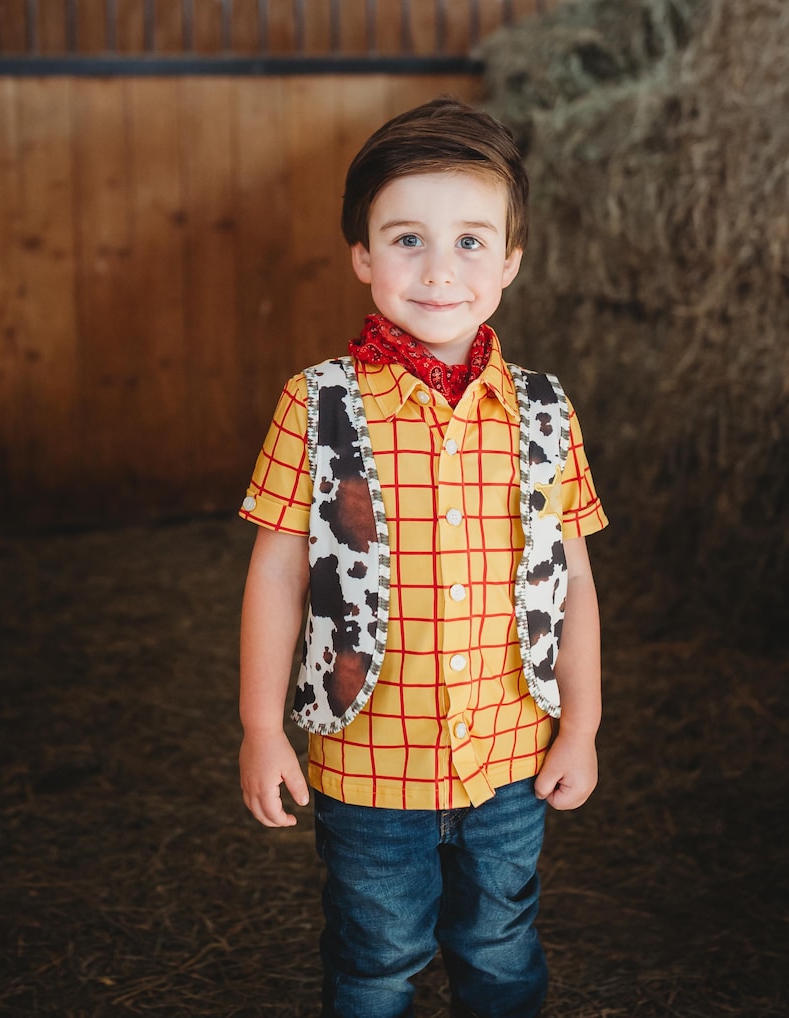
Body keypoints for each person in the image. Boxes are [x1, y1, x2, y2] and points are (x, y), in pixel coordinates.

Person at [238, 97, 608, 1018]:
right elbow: (278, 573)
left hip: (509, 758)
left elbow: (572, 582)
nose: (440, 268)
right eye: (406, 239)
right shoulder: (316, 405)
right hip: (368, 762)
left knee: (501, 949)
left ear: (512, 261)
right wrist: (259, 726)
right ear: (362, 254)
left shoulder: (545, 413)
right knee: (376, 959)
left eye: (472, 241)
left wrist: (583, 724)